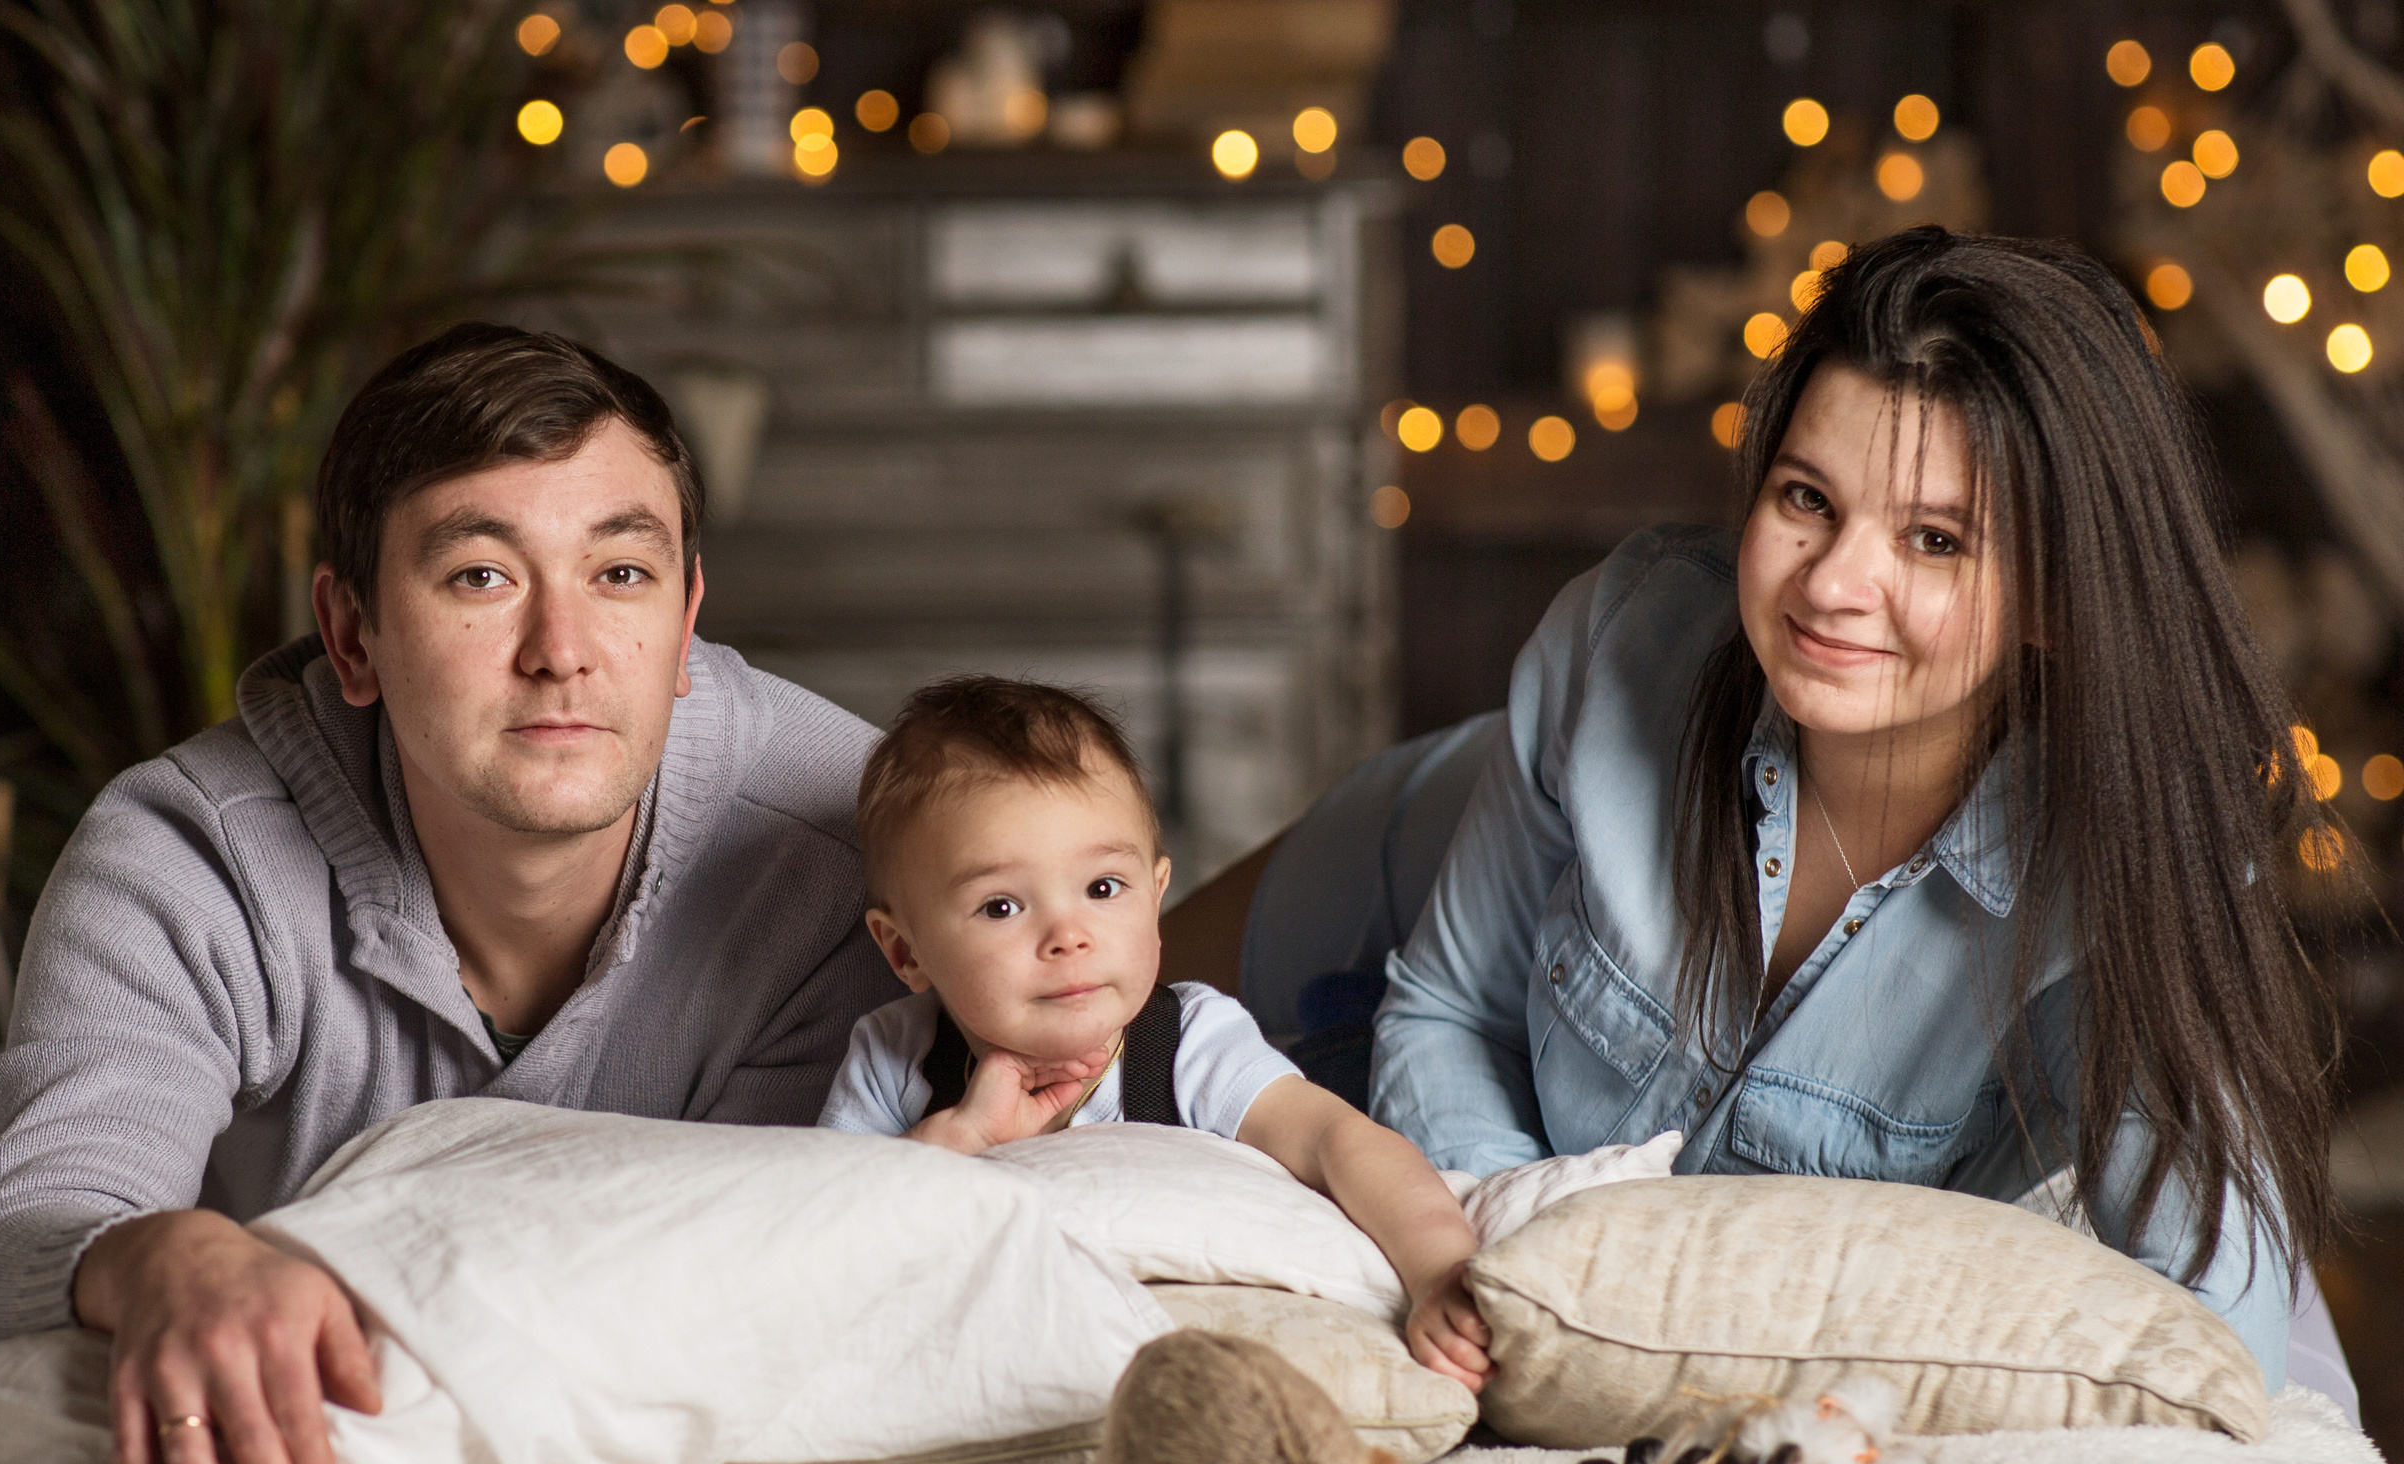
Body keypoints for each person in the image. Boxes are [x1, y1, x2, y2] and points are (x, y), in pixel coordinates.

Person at [0, 324, 901, 1464]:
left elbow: (800, 1295)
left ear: (689, 612)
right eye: (481, 576)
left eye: (620, 574)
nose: (563, 649)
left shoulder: (848, 847)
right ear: (352, 634)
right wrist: (159, 1256)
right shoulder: (185, 858)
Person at [1371, 228, 2343, 1390]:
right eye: (1805, 498)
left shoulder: (2126, 856)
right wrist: (1504, 1258)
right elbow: (1443, 1009)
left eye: (1933, 540)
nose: (1831, 583)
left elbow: (2205, 1318)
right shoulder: (1617, 637)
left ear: (2054, 597)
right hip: (1359, 887)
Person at [819, 676, 1492, 1392]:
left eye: (1103, 888)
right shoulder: (896, 1060)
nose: (1068, 936)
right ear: (905, 951)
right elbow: (824, 1236)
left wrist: (1438, 1271)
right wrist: (961, 1140)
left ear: (1157, 893)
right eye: (1001, 905)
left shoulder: (1189, 1041)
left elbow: (1337, 1141)